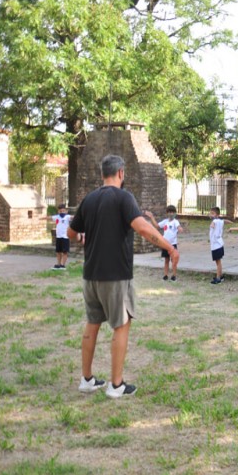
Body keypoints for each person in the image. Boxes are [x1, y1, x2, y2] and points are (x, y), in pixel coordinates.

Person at [68, 154, 178, 398]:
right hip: (116, 275)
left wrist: (81, 238)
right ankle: (116, 385)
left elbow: (70, 232)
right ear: (120, 173)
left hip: (91, 275)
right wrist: (169, 248)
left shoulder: (89, 199)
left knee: (92, 324)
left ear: (102, 174)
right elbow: (141, 226)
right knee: (121, 325)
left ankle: (87, 379)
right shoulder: (124, 197)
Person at [145, 205, 182, 281]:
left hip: (173, 244)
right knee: (166, 260)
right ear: (167, 213)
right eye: (169, 212)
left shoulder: (175, 222)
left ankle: (174, 276)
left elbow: (178, 227)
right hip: (165, 244)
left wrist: (180, 228)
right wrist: (152, 217)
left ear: (175, 213)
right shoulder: (165, 222)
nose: (171, 214)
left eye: (172, 212)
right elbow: (157, 226)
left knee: (174, 260)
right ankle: (165, 275)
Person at [208, 207, 232, 284]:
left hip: (216, 245)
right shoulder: (219, 221)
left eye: (213, 213)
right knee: (218, 261)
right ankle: (220, 275)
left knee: (218, 262)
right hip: (218, 244)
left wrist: (212, 224)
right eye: (210, 213)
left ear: (217, 215)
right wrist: (230, 222)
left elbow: (213, 223)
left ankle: (218, 278)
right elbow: (224, 221)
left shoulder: (215, 221)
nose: (211, 215)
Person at [51, 203, 75, 269]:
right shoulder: (57, 217)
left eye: (63, 211)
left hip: (65, 237)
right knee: (58, 251)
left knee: (65, 252)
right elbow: (48, 218)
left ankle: (63, 265)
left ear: (66, 211)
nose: (62, 212)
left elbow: (73, 217)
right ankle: (58, 264)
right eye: (60, 211)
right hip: (58, 237)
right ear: (58, 211)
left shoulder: (67, 217)